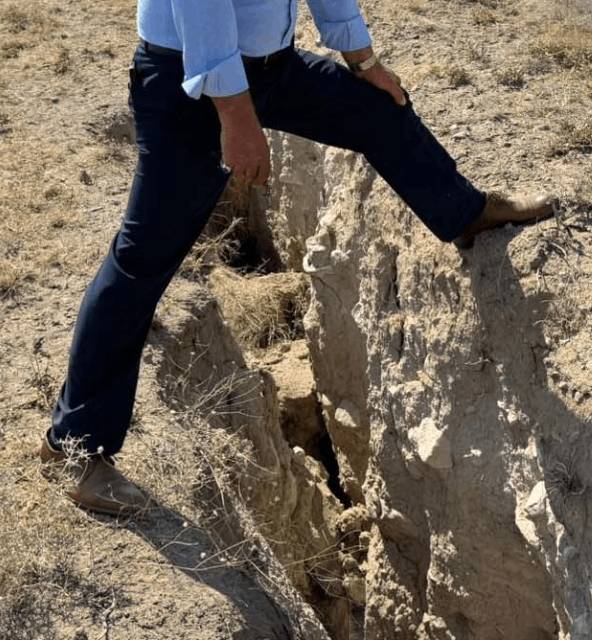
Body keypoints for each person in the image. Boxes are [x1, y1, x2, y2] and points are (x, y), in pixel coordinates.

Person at [39, 0, 553, 515]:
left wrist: (365, 62)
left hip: (272, 69)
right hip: (188, 82)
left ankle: (465, 215)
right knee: (141, 263)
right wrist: (236, 115)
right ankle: (75, 450)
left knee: (379, 110)